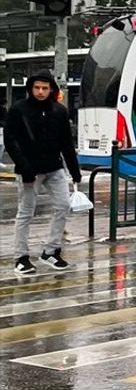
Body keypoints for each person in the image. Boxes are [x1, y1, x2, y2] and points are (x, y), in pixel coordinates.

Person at [5, 70, 81, 275]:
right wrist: (24, 166)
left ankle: (51, 251)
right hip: (29, 171)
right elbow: (10, 141)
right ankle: (21, 257)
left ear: (51, 89)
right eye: (37, 88)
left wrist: (75, 170)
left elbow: (67, 143)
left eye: (44, 88)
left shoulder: (59, 111)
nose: (40, 92)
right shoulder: (18, 110)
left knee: (64, 206)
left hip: (54, 168)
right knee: (26, 212)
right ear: (30, 88)